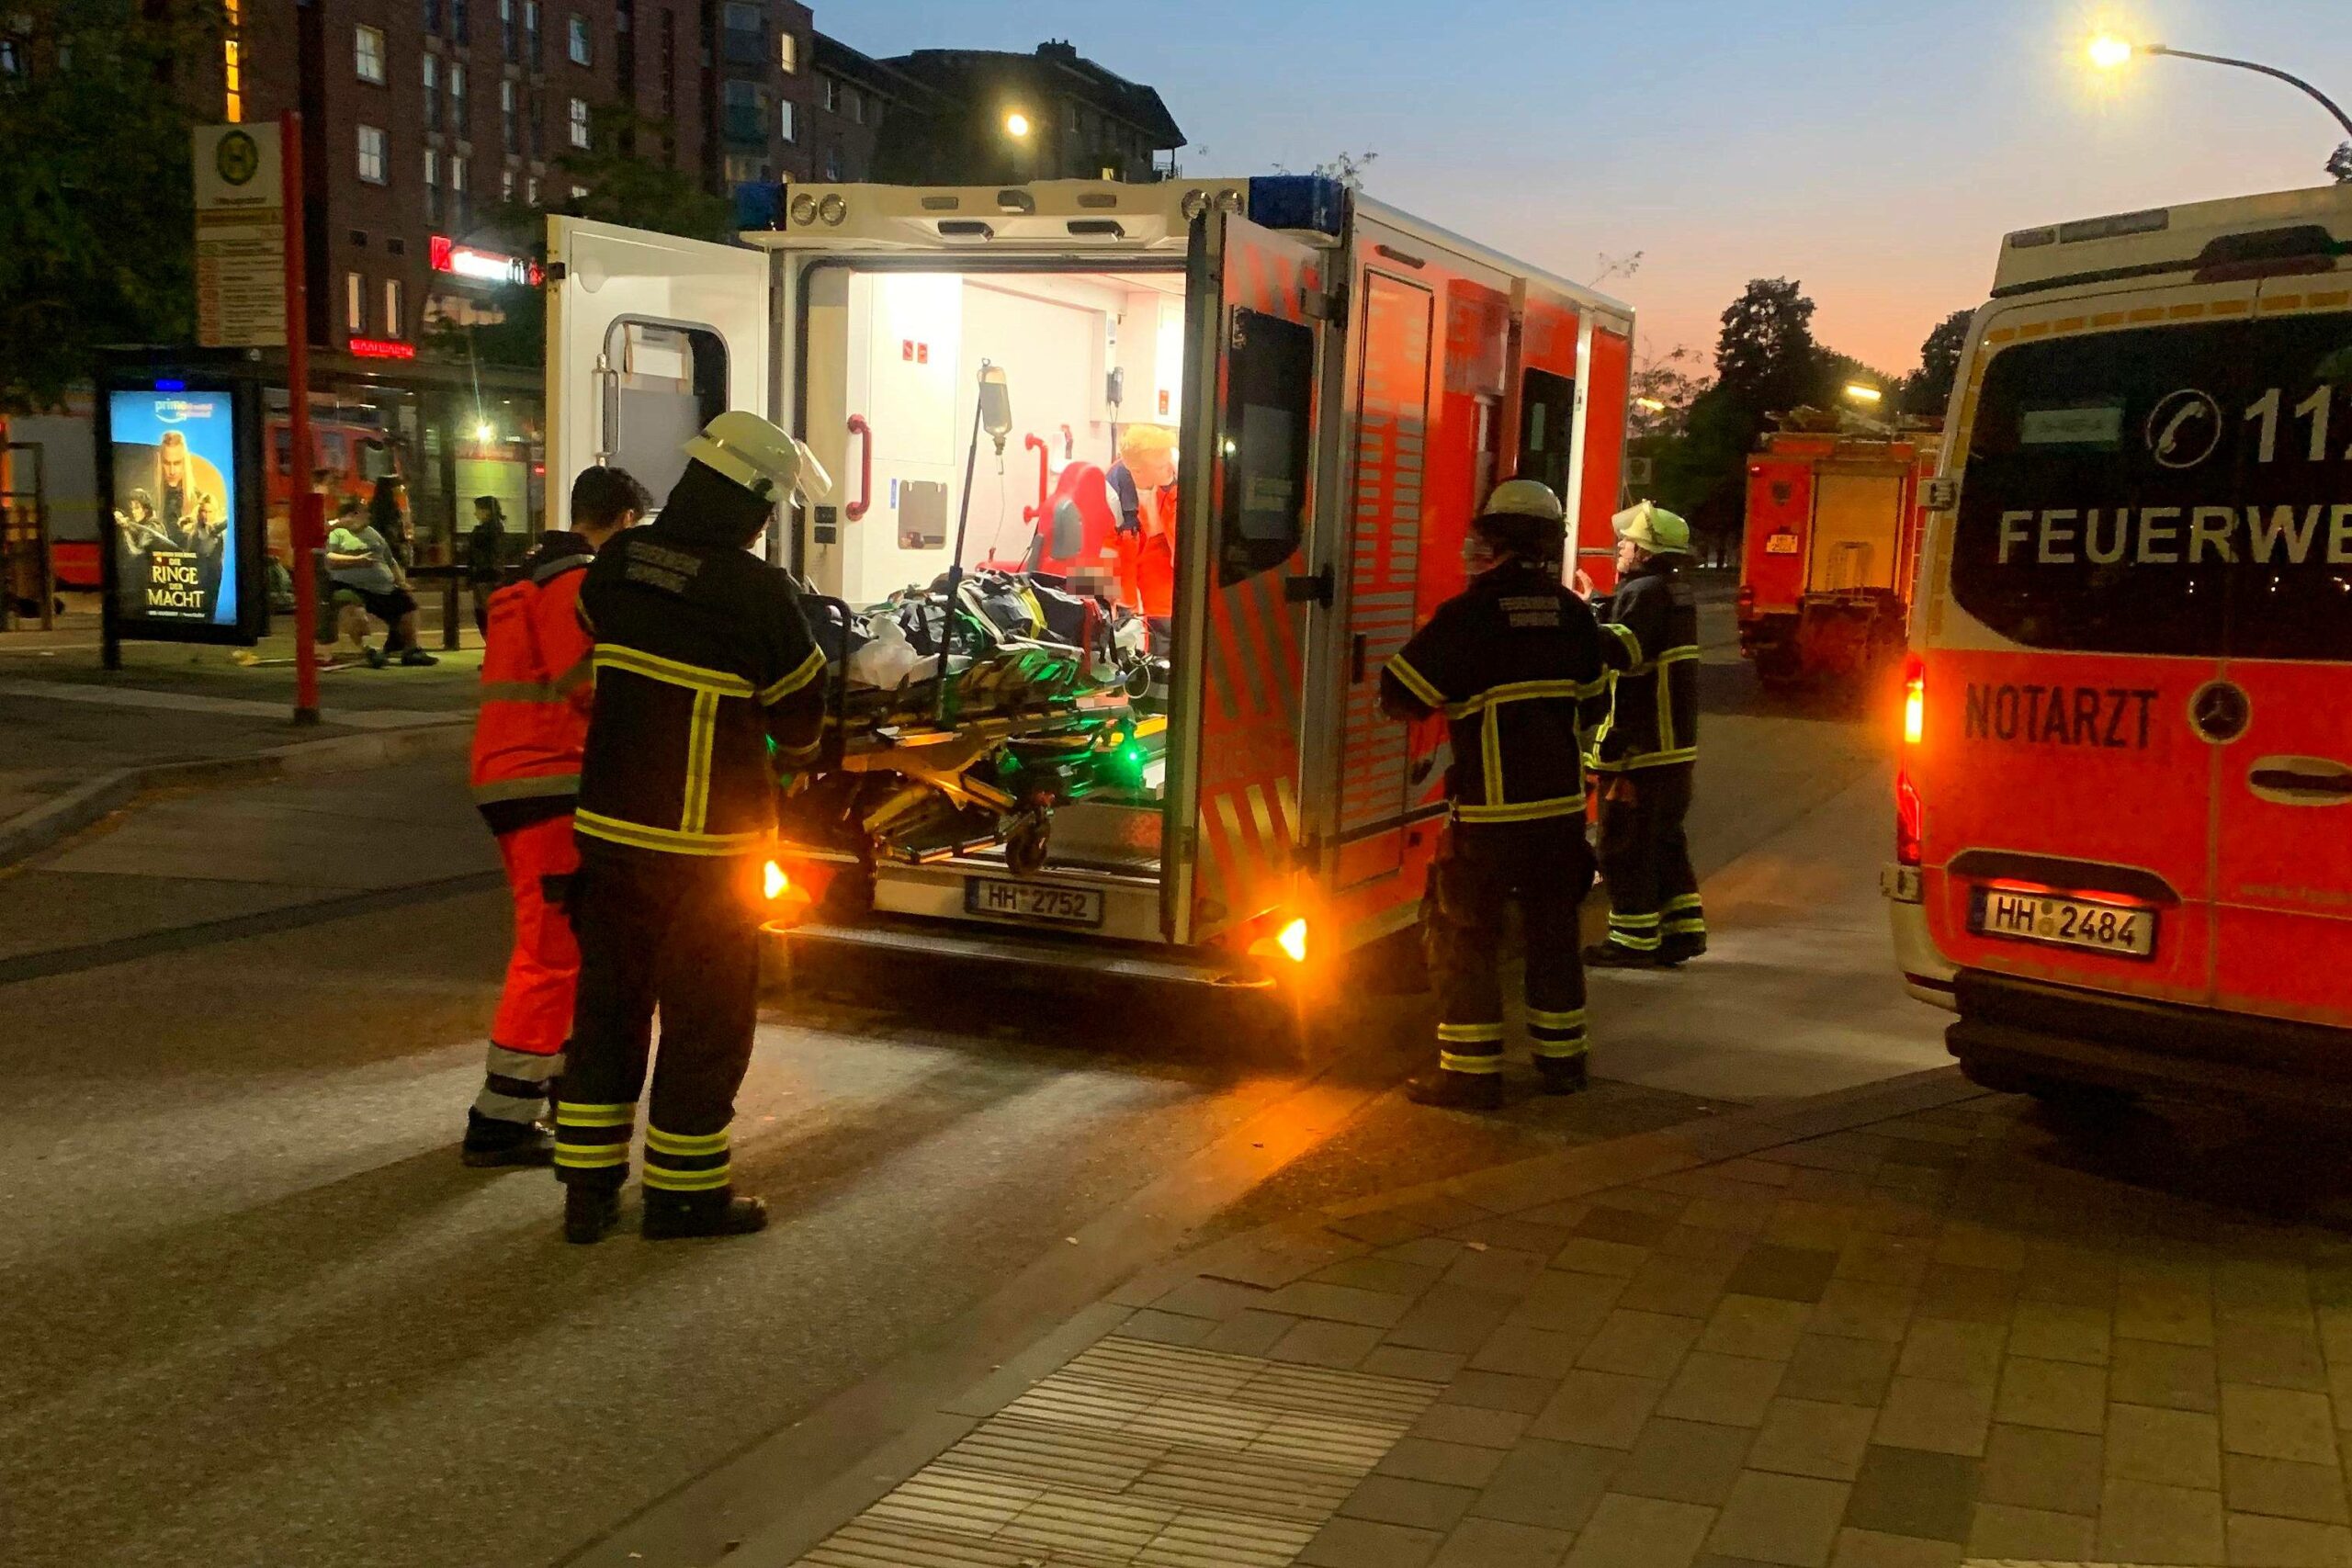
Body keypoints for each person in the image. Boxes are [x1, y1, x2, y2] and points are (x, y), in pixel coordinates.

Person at [555, 412, 828, 1244]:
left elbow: (596, 643)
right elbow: (802, 720)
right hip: (709, 853)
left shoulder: (617, 563)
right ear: (750, 503)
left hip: (607, 836)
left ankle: (589, 1191)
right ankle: (681, 1195)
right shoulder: (757, 594)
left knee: (608, 1006)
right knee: (706, 1020)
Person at [1381, 479, 1614, 1111]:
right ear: (1550, 541)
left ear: (1490, 538)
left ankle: (1471, 1074)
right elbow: (1595, 702)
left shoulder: (1468, 616)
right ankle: (1563, 1064)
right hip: (1561, 815)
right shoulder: (1572, 613)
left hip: (1489, 817)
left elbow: (1399, 692)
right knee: (1552, 936)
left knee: (1466, 939)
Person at [459, 467, 649, 1168]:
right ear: (625, 519)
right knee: (552, 954)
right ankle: (500, 1118)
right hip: (546, 777)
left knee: (568, 943)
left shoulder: (523, 574)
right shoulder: (573, 580)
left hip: (513, 774)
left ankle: (563, 1092)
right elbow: (584, 685)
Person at [1578, 501, 1704, 968]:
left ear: (1646, 551)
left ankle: (1631, 941)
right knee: (1665, 844)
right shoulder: (1671, 591)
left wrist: (1577, 619)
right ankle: (1682, 933)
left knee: (1623, 848)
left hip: (1640, 751)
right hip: (1668, 750)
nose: (1619, 549)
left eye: (1627, 543)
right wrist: (1597, 604)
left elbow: (1623, 650)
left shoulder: (1646, 592)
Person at [325, 496, 438, 667]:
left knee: (408, 609)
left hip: (383, 587)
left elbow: (390, 560)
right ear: (351, 514)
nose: (369, 515)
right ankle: (369, 650)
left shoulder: (372, 532)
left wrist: (401, 582)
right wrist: (357, 560)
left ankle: (411, 650)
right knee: (355, 613)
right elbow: (330, 558)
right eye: (364, 512)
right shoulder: (337, 533)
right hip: (353, 586)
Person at [1105, 424, 1179, 617]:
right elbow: (1101, 546)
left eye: (1167, 461)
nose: (1169, 468)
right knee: (1114, 614)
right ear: (1136, 471)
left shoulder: (1179, 477)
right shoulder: (1110, 492)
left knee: (1167, 617)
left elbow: (1181, 543)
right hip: (1122, 546)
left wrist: (1170, 490)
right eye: (1161, 466)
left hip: (1159, 549)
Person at [465, 495, 509, 637]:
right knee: (486, 614)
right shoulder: (496, 529)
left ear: (487, 511)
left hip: (485, 576)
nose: (476, 513)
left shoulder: (488, 531)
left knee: (485, 614)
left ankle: (492, 649)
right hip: (488, 575)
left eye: (478, 509)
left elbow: (478, 553)